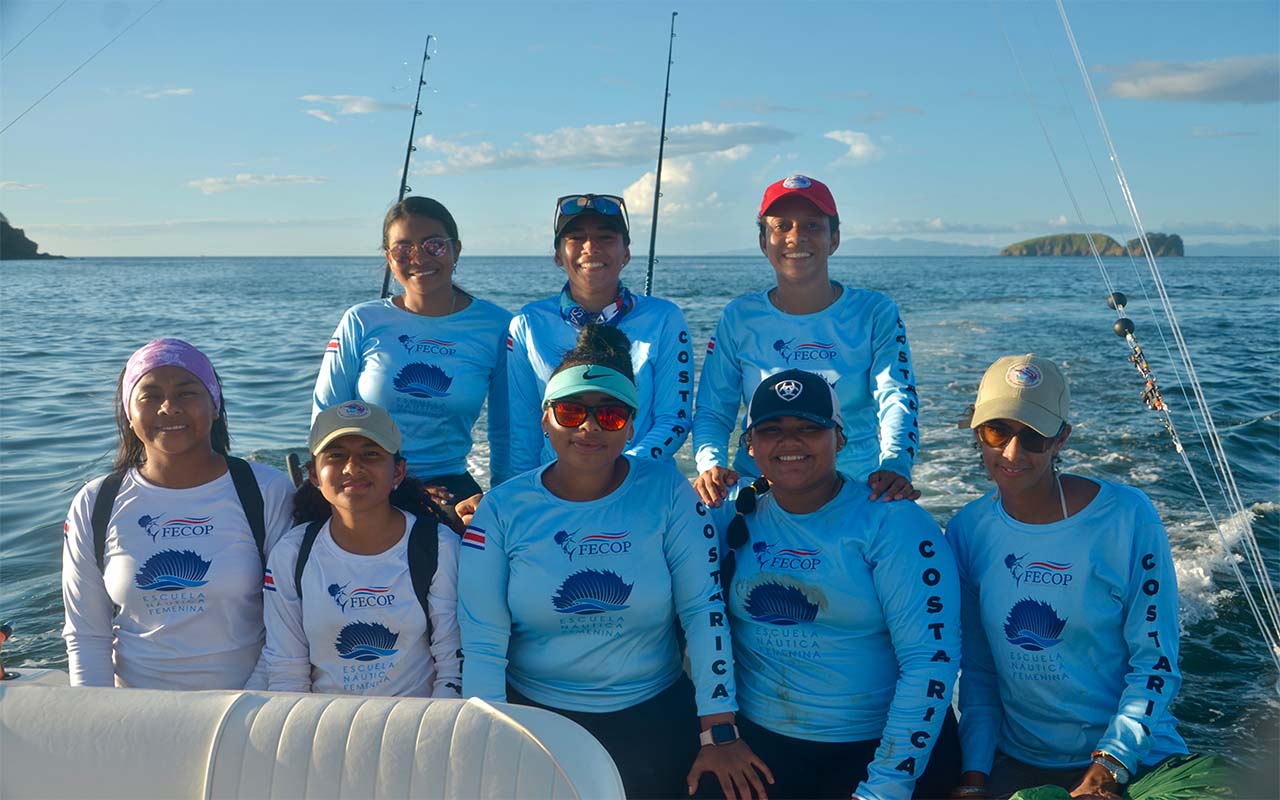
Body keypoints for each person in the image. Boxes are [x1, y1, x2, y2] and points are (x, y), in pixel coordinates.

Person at [459, 324, 770, 800]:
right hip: (538, 721)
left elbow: (704, 614)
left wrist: (719, 732)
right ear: (545, 419)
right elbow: (482, 645)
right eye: (570, 411)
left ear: (629, 424)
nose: (588, 427)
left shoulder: (669, 494)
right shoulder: (500, 511)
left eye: (609, 415)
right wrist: (492, 743)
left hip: (652, 716)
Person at [946, 354, 1188, 799]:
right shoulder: (966, 531)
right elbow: (979, 672)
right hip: (1020, 762)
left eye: (1034, 436)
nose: (1012, 452)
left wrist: (1110, 763)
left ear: (1061, 439)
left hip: (1137, 758)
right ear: (977, 432)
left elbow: (1155, 662)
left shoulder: (1129, 518)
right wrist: (973, 778)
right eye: (997, 431)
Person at [719, 369, 961, 800]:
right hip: (761, 751)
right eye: (770, 430)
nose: (789, 442)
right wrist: (717, 738)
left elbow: (930, 660)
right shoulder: (728, 515)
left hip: (881, 750)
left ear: (841, 438)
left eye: (810, 428)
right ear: (750, 445)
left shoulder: (894, 522)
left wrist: (888, 783)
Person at [61, 338, 295, 689]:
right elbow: (86, 633)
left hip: (245, 709)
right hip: (138, 714)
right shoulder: (96, 502)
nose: (169, 407)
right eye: (150, 395)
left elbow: (288, 631)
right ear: (129, 411)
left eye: (187, 393)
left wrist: (249, 710)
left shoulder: (267, 492)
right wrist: (98, 721)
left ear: (214, 405)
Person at [693, 175, 919, 514]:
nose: (795, 237)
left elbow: (896, 396)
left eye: (812, 226)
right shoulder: (739, 317)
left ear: (835, 239)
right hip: (759, 490)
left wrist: (896, 465)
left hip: (859, 488)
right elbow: (714, 409)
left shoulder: (875, 313)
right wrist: (709, 465)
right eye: (781, 226)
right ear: (763, 241)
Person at [313, 196, 511, 504]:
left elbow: (508, 432)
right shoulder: (360, 320)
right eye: (403, 249)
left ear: (456, 250)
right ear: (390, 259)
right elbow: (327, 417)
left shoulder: (498, 326)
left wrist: (505, 502)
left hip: (451, 490)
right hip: (369, 484)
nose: (418, 258)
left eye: (434, 245)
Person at [262, 400, 461, 697]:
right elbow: (286, 670)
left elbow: (452, 664)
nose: (353, 467)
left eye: (370, 454)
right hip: (324, 726)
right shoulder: (291, 554)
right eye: (336, 455)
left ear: (397, 472)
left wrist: (434, 732)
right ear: (314, 475)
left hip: (419, 725)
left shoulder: (438, 546)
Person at [500, 193, 693, 485]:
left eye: (605, 237)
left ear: (625, 254)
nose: (590, 248)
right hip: (555, 489)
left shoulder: (665, 318)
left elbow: (674, 420)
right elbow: (524, 431)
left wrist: (620, 473)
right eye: (576, 238)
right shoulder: (526, 324)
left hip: (643, 484)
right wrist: (520, 496)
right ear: (557, 255)